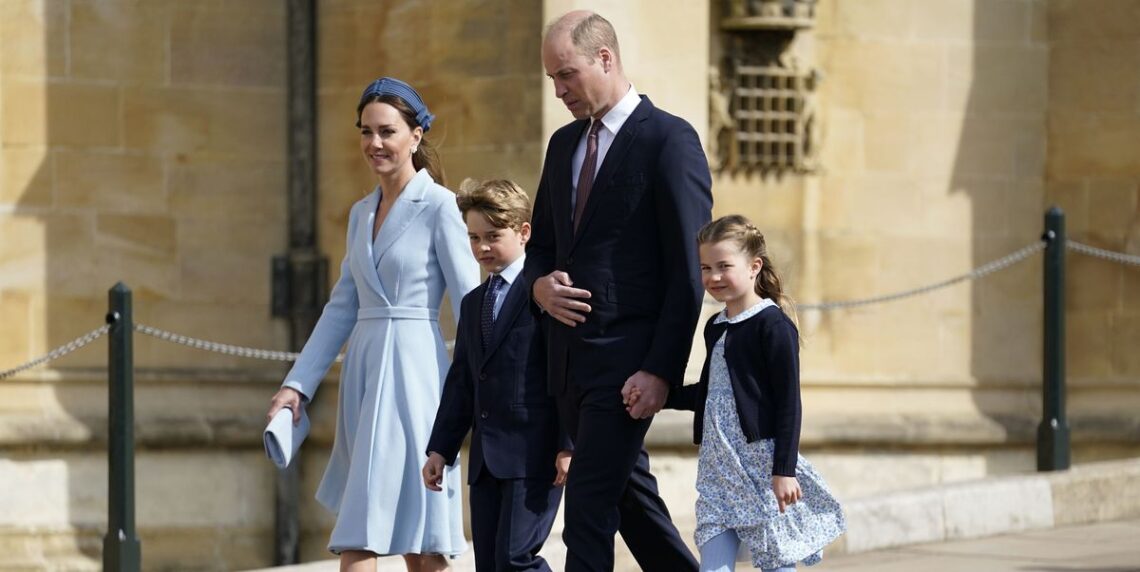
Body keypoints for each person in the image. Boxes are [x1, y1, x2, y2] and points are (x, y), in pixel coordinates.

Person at [523, 10, 713, 572]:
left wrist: (660, 370)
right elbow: (542, 247)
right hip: (568, 368)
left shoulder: (669, 140)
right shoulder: (562, 147)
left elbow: (688, 270)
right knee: (631, 502)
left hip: (628, 369)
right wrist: (539, 287)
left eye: (567, 75)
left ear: (605, 58)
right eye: (552, 79)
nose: (558, 91)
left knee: (585, 505)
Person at [265, 77, 479, 572]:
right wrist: (297, 387)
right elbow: (341, 306)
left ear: (416, 135)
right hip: (363, 377)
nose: (374, 143)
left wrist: (486, 386)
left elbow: (472, 303)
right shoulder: (360, 214)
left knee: (423, 545)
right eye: (366, 132)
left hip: (417, 377)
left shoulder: (442, 206)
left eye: (387, 131)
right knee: (366, 528)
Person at [659, 215, 846, 571]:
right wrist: (660, 396)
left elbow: (788, 403)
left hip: (759, 465)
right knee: (712, 558)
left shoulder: (773, 326)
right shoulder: (716, 327)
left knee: (776, 559)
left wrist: (784, 470)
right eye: (705, 267)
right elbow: (712, 393)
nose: (713, 277)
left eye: (724, 266)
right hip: (717, 465)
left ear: (753, 267)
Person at [422, 179, 573, 572]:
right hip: (486, 462)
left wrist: (568, 444)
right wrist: (441, 447)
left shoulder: (544, 293)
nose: (481, 247)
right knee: (489, 564)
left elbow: (566, 370)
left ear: (524, 232)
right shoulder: (473, 304)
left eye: (492, 236)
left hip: (534, 456)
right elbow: (463, 383)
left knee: (516, 559)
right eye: (473, 237)